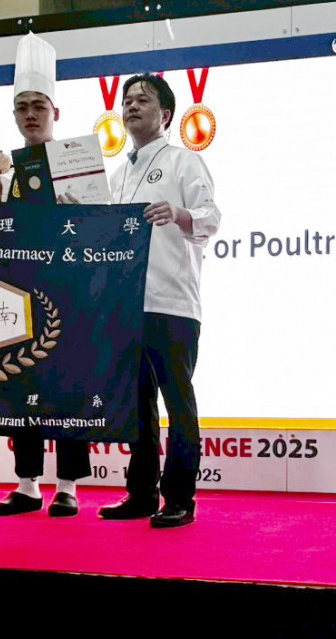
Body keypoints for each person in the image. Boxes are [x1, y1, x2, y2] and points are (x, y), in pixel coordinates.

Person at [98, 73, 220, 528]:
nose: (131, 106)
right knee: (136, 406)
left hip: (172, 304)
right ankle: (142, 494)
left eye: (142, 100)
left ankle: (181, 497)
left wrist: (179, 213)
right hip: (127, 306)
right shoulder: (118, 175)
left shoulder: (184, 161)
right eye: (127, 100)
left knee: (178, 403)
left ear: (165, 114)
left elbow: (212, 217)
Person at [0, 33, 91, 517]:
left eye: (39, 106)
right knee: (19, 383)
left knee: (67, 389)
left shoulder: (79, 163)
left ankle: (68, 487)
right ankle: (26, 485)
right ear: (14, 115)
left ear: (55, 112)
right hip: (18, 294)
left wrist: (80, 213)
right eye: (22, 107)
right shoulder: (3, 172)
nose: (31, 114)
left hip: (69, 293)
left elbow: (101, 232)